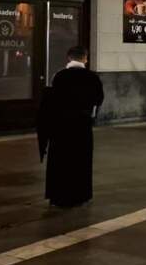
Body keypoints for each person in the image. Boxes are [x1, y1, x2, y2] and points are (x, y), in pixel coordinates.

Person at [36, 46, 104, 208]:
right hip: (82, 125)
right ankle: (80, 195)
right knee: (81, 160)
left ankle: (58, 196)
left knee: (60, 161)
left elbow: (50, 101)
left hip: (61, 126)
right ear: (85, 58)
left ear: (69, 58)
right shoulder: (92, 77)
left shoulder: (59, 76)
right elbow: (99, 99)